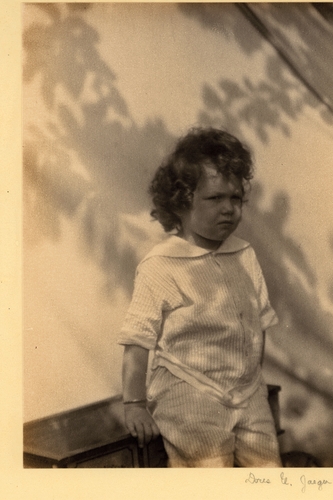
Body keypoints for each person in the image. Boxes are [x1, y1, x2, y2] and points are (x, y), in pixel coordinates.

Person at [118, 127, 282, 467]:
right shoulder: (161, 265)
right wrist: (134, 402)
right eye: (214, 198)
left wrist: (251, 380)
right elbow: (137, 339)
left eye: (235, 198)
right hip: (190, 390)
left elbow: (258, 323)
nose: (228, 209)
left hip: (246, 388)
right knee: (209, 472)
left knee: (267, 470)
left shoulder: (244, 254)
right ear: (181, 203)